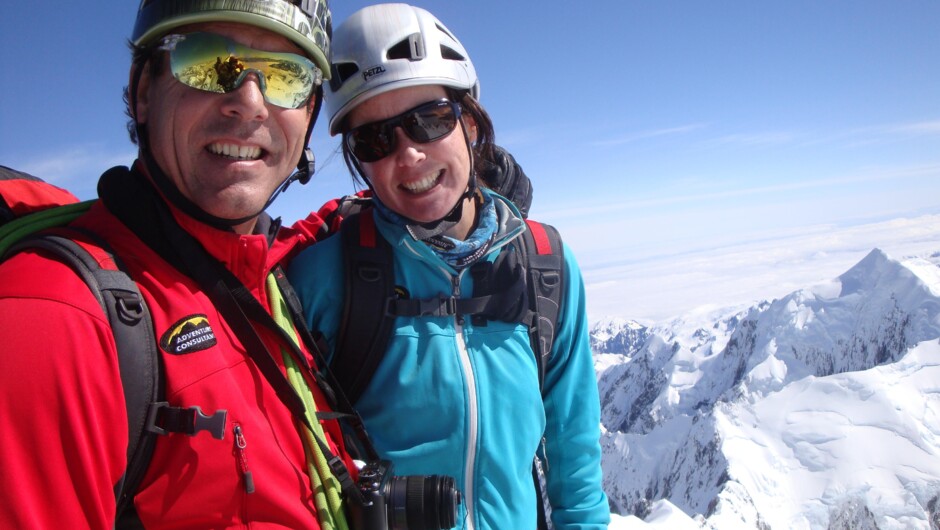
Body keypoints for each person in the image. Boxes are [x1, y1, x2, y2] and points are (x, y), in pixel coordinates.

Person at [0, 1, 360, 528]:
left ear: (308, 116)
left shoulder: (261, 282)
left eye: (287, 75)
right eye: (211, 61)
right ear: (144, 91)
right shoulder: (58, 320)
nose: (250, 103)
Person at [288, 4, 611, 529]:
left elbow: (573, 455)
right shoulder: (324, 279)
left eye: (429, 120)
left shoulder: (544, 267)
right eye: (375, 139)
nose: (409, 156)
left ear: (469, 121)